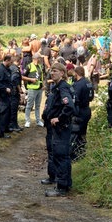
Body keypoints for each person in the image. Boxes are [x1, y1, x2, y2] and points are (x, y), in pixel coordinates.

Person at [41, 63, 75, 197]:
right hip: (59, 128)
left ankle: (62, 187)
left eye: (55, 71)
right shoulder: (57, 88)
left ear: (62, 73)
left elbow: (70, 107)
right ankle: (65, 183)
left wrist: (59, 119)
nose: (52, 73)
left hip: (62, 128)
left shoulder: (63, 88)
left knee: (61, 155)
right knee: (61, 155)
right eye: (51, 71)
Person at [70, 66, 94, 160]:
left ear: (76, 73)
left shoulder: (78, 84)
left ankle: (75, 155)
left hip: (79, 111)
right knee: (83, 133)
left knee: (75, 133)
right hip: (87, 109)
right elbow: (91, 97)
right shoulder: (88, 82)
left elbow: (75, 99)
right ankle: (82, 153)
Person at [22, 53, 45, 128]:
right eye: (40, 58)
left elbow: (41, 77)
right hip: (32, 88)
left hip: (39, 89)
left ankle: (38, 120)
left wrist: (43, 85)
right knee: (29, 105)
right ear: (36, 58)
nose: (41, 60)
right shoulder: (29, 66)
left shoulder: (40, 66)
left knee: (38, 105)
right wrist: (30, 79)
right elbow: (22, 76)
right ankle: (27, 121)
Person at [0, 55, 13, 139]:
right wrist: (5, 89)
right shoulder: (0, 70)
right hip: (1, 94)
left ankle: (5, 128)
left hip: (7, 95)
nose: (11, 64)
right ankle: (0, 133)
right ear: (7, 60)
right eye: (11, 62)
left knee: (7, 113)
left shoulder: (7, 69)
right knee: (2, 113)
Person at [8, 55, 24, 132]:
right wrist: (19, 89)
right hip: (14, 92)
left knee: (13, 109)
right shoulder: (15, 69)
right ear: (18, 61)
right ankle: (13, 125)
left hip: (11, 91)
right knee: (14, 110)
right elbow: (14, 79)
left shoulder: (10, 67)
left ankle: (14, 125)